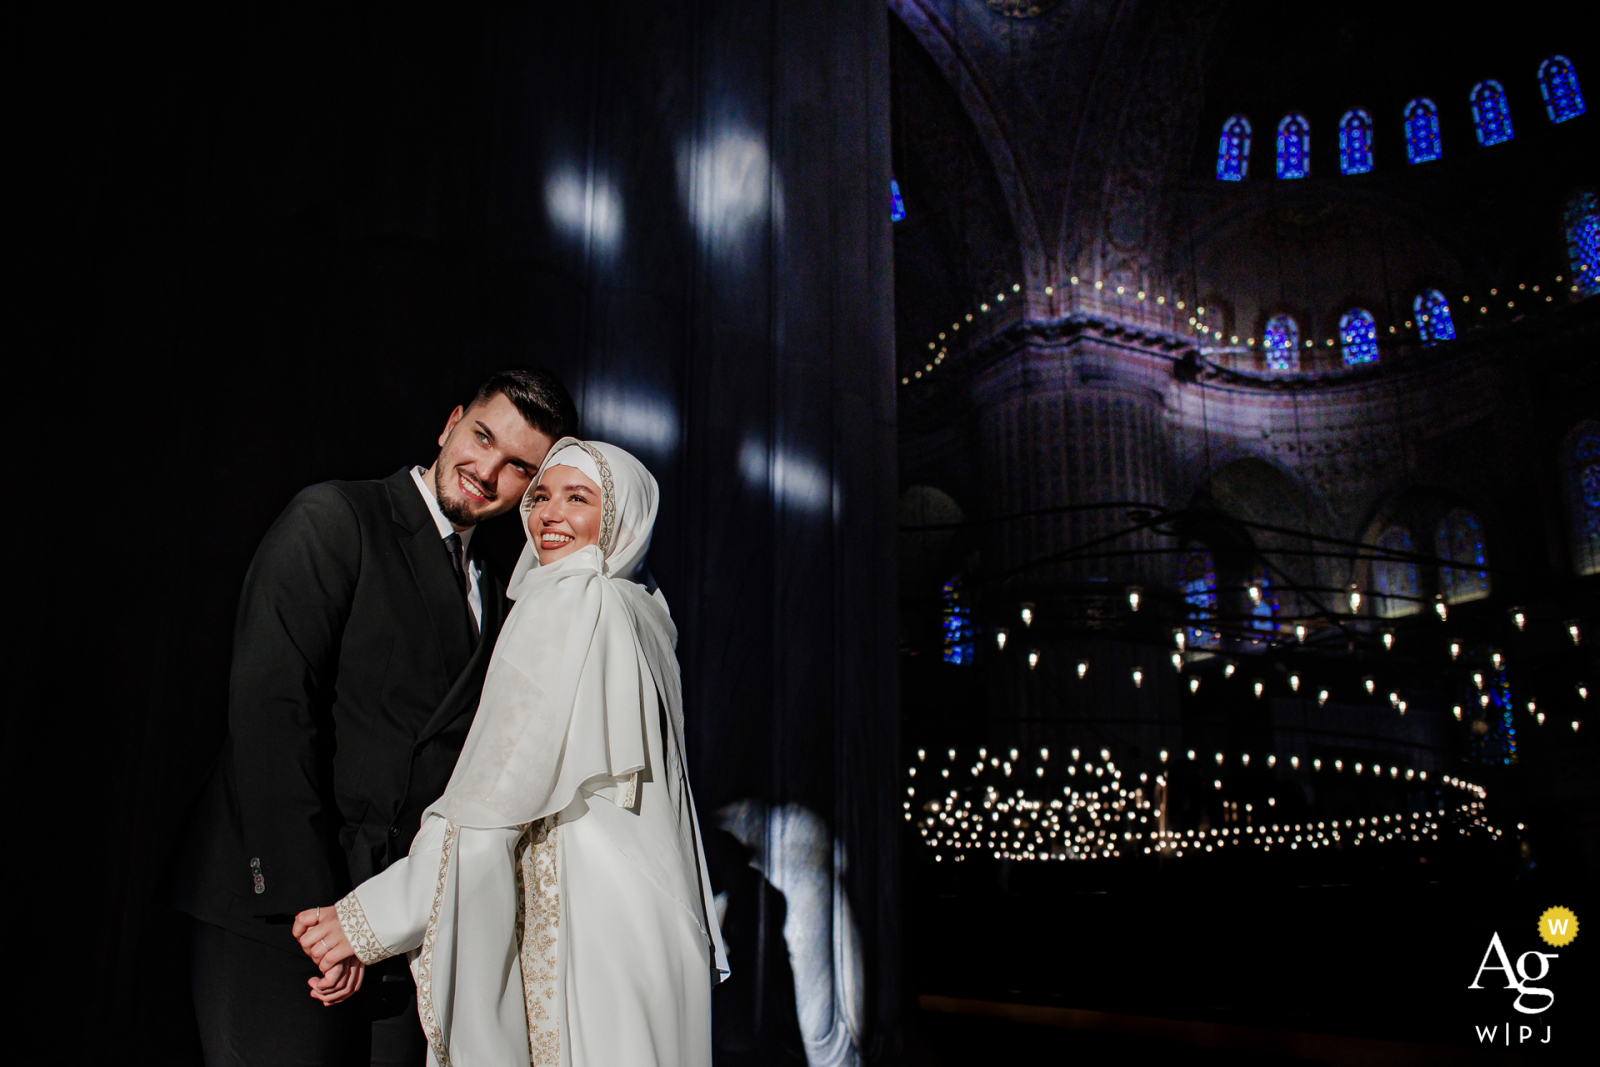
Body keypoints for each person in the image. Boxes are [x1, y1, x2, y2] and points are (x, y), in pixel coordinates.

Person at [171, 368, 579, 1067]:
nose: (487, 470)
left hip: (391, 928)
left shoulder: (504, 595)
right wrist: (309, 908)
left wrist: (379, 922)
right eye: (482, 437)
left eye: (519, 467)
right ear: (449, 423)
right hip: (280, 912)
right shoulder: (336, 516)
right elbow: (271, 713)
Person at [290, 438, 729, 1067]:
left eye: (577, 498)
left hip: (589, 935)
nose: (548, 513)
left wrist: (366, 922)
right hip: (652, 935)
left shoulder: (574, 596)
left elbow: (490, 805)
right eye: (541, 495)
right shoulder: (644, 612)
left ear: (621, 518)